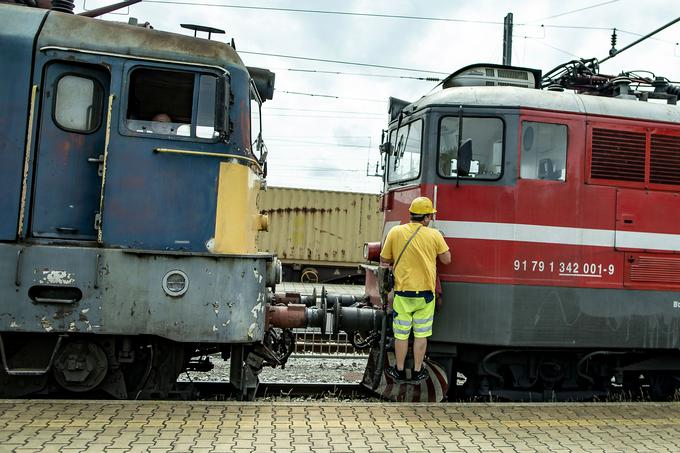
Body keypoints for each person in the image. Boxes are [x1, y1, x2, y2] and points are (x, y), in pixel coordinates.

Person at [380, 196, 451, 382]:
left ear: (411, 214)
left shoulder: (395, 232)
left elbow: (385, 260)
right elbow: (446, 260)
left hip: (402, 294)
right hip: (426, 296)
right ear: (426, 217)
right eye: (430, 216)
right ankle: (419, 370)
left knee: (401, 334)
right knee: (421, 334)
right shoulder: (434, 235)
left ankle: (400, 370)